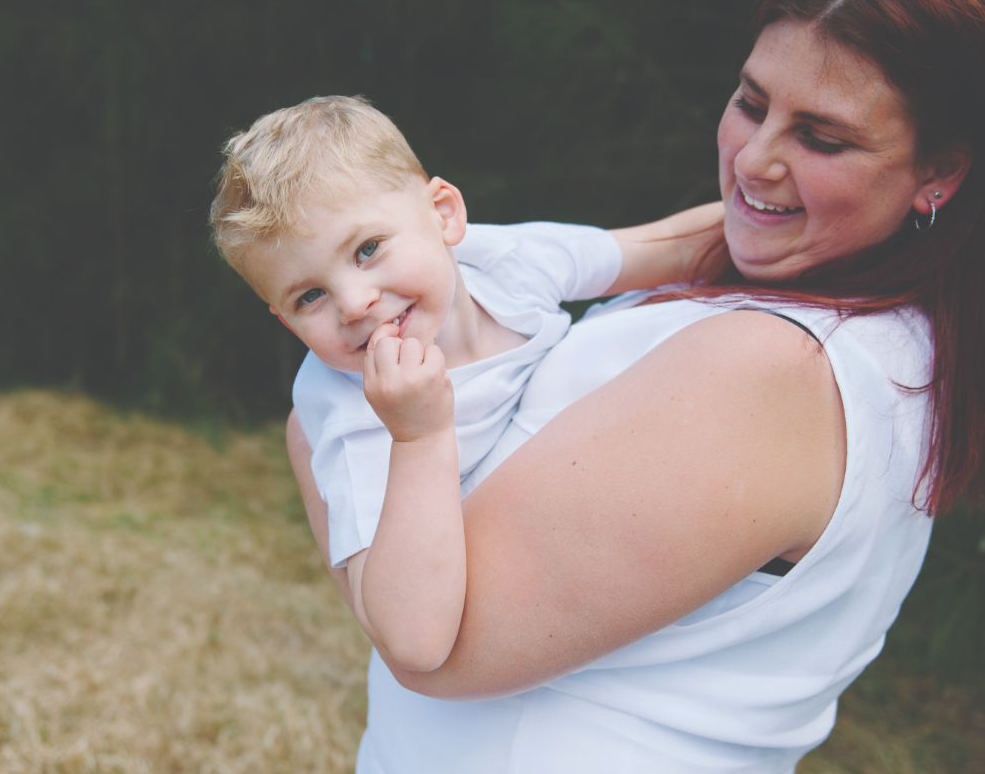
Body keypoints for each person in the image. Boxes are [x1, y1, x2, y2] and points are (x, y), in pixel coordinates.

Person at [286, 0, 985, 774]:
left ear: (940, 174)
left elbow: (434, 643)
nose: (756, 159)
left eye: (821, 137)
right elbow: (602, 251)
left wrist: (322, 423)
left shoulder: (769, 373)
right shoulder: (873, 308)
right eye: (750, 102)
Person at [209, 96, 723, 673]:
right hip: (516, 626)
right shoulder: (352, 412)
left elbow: (668, 249)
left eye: (368, 249)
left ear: (445, 214)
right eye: (310, 297)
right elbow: (414, 640)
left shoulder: (500, 263)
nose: (355, 304)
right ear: (285, 320)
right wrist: (418, 436)